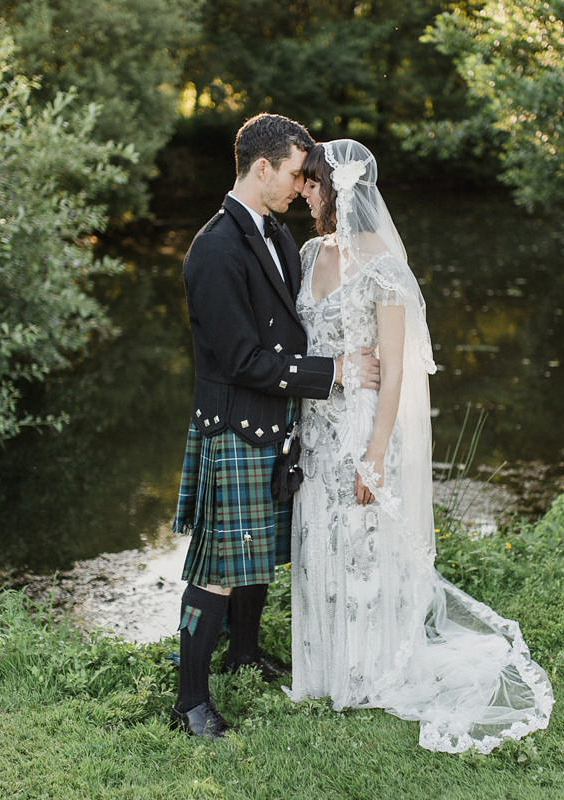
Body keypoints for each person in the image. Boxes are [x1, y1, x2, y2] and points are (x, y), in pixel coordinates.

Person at [286, 139, 554, 753]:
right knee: (318, 536)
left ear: (339, 188)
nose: (304, 191)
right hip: (316, 423)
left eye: (312, 183)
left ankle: (368, 672)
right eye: (301, 182)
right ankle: (322, 672)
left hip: (360, 425)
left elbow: (398, 370)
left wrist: (375, 452)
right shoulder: (308, 253)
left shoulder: (382, 261)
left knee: (360, 544)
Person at [170, 115, 378, 739]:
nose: (300, 185)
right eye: (293, 173)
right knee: (218, 564)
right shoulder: (213, 249)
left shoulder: (279, 236)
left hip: (277, 421)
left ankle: (243, 652)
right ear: (261, 168)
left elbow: (291, 325)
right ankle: (189, 702)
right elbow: (239, 360)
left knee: (258, 555)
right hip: (233, 424)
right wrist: (334, 372)